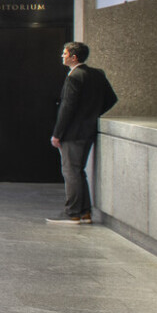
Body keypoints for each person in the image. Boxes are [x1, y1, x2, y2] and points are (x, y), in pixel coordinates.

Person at [49, 41, 118, 226]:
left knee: (71, 172)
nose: (62, 56)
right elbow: (112, 98)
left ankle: (72, 213)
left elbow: (67, 107)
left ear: (74, 57)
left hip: (73, 132)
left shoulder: (74, 76)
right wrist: (92, 114)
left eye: (65, 53)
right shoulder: (97, 74)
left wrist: (57, 133)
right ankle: (85, 212)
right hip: (88, 130)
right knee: (79, 171)